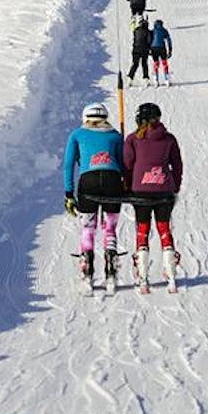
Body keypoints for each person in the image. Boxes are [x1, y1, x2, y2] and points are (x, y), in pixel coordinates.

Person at [63, 102, 126, 289]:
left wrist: (69, 193)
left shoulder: (77, 135)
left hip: (87, 182)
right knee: (110, 227)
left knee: (88, 228)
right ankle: (111, 269)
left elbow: (68, 164)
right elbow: (124, 163)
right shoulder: (115, 135)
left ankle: (87, 270)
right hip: (113, 181)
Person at [123, 102, 183, 292]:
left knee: (143, 230)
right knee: (164, 228)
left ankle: (142, 277)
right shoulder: (169, 139)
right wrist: (175, 186)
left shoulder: (133, 139)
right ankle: (171, 274)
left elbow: (127, 165)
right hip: (164, 190)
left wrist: (127, 185)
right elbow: (177, 165)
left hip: (140, 191)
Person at [127, 16, 151, 86]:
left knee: (135, 64)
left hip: (136, 49)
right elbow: (149, 41)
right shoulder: (147, 31)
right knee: (144, 64)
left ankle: (130, 78)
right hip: (144, 50)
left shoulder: (136, 30)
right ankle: (146, 79)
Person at [150, 19, 172, 85]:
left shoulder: (153, 31)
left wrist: (149, 49)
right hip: (162, 48)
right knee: (164, 63)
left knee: (156, 63)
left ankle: (156, 80)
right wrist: (170, 50)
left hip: (154, 48)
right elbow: (169, 40)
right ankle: (166, 79)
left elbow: (149, 39)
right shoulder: (164, 30)